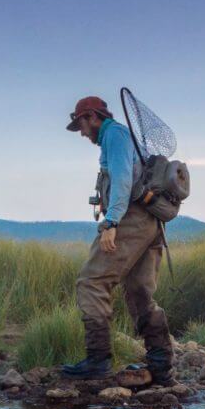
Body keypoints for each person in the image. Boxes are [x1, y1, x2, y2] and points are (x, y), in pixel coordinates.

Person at [61, 95, 176, 383]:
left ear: (93, 117)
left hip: (131, 218)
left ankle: (98, 360)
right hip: (151, 221)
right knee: (139, 290)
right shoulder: (121, 136)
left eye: (82, 125)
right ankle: (160, 366)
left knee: (92, 281)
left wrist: (111, 223)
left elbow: (123, 179)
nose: (82, 133)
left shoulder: (113, 134)